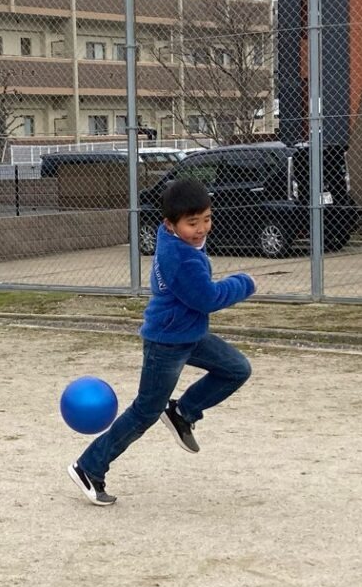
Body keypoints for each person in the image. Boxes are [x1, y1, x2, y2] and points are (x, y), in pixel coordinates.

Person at [68, 177, 255, 506]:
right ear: (171, 224)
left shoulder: (177, 240)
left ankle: (183, 411)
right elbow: (207, 298)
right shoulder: (182, 258)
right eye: (192, 223)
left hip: (189, 334)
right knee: (144, 413)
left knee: (236, 368)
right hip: (167, 342)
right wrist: (244, 283)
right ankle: (88, 467)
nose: (201, 229)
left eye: (207, 219)